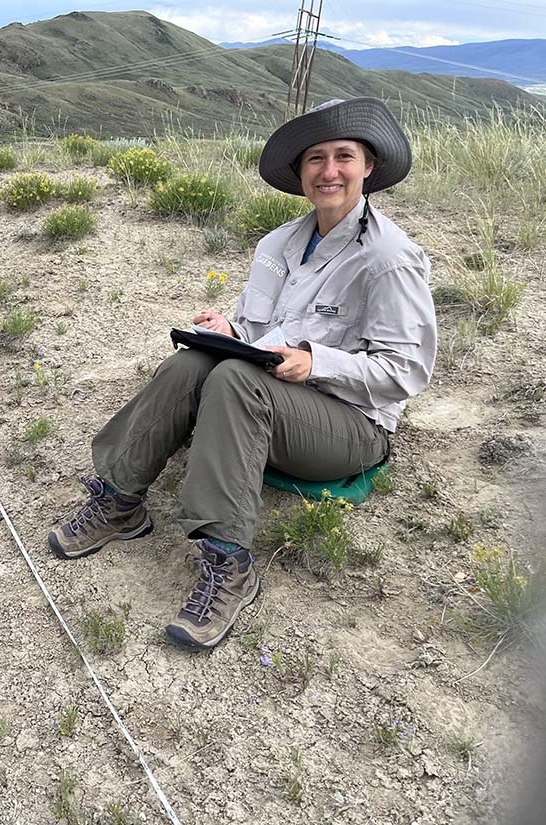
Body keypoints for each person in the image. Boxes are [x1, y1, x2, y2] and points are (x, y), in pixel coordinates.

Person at [48, 97, 437, 650]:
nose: (329, 171)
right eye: (316, 158)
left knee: (235, 381)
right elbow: (260, 331)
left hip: (352, 425)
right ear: (300, 172)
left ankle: (229, 561)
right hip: (273, 396)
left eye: (344, 156)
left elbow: (406, 372)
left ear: (368, 166)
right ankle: (119, 499)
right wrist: (231, 331)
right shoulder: (278, 243)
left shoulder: (389, 258)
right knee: (191, 362)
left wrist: (317, 362)